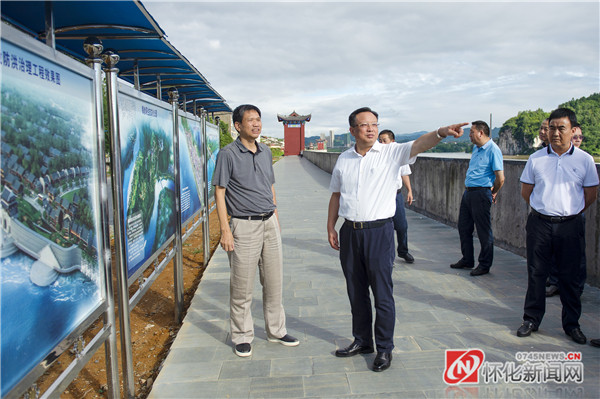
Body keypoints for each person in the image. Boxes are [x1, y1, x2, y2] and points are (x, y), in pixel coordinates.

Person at [327, 107, 466, 372]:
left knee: (382, 293)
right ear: (352, 130)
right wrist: (331, 227)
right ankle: (362, 341)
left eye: (374, 124)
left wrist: (440, 133)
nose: (370, 129)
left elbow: (419, 143)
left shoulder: (391, 153)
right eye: (364, 125)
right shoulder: (343, 158)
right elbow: (335, 195)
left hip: (379, 232)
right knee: (356, 292)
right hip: (349, 231)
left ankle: (385, 348)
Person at [212, 104, 299, 357]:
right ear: (238, 126)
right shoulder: (227, 154)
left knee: (274, 281)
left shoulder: (265, 152)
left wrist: (277, 218)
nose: (256, 124)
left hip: (269, 222)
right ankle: (241, 335)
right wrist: (225, 230)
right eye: (250, 120)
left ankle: (276, 330)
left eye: (258, 119)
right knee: (242, 285)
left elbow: (269, 186)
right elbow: (219, 191)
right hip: (243, 224)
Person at [516, 108, 598, 345]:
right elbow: (526, 191)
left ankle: (572, 325)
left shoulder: (585, 160)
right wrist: (544, 209)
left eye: (561, 128)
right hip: (540, 223)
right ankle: (531, 319)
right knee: (536, 273)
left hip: (570, 226)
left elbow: (590, 194)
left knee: (570, 278)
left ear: (573, 131)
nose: (555, 133)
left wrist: (570, 213)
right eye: (551, 128)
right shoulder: (536, 159)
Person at [450, 121, 505, 276]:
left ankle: (484, 264)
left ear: (481, 132)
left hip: (482, 192)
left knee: (483, 230)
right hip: (469, 192)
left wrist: (494, 192)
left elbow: (500, 178)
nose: (469, 135)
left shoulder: (493, 150)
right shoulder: (476, 148)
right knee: (463, 227)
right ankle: (467, 259)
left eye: (472, 132)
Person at [546, 123, 586, 298]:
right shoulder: (550, 157)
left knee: (577, 253)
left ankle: (577, 286)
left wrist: (577, 209)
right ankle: (555, 282)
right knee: (555, 251)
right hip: (553, 214)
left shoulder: (585, 160)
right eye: (574, 136)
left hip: (574, 214)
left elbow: (590, 192)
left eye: (579, 137)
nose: (576, 140)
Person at [378, 129, 414, 263]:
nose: (381, 143)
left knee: (402, 225)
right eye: (380, 140)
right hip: (382, 195)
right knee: (385, 227)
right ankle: (388, 256)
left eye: (384, 140)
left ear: (392, 141)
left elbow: (404, 173)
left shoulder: (399, 155)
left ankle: (403, 251)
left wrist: (409, 190)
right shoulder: (376, 156)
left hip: (396, 195)